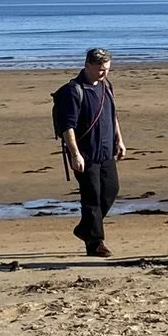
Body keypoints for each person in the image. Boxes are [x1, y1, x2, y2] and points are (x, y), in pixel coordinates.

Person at [53, 47, 125, 258]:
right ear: (88, 66)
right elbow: (68, 127)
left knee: (110, 191)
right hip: (85, 153)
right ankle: (95, 243)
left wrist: (119, 140)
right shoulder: (73, 91)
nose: (105, 73)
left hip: (106, 151)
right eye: (101, 69)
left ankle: (85, 229)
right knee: (91, 197)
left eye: (107, 69)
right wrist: (75, 154)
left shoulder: (106, 86)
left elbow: (113, 115)